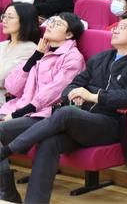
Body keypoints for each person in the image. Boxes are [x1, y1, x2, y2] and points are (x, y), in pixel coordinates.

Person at [0, 14, 127, 203]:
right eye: (116, 27)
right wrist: (72, 95)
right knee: (50, 142)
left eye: (122, 28)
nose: (115, 30)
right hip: (81, 119)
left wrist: (93, 96)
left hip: (111, 123)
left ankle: (9, 150)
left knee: (66, 113)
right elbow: (72, 85)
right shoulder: (101, 58)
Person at [0, 13, 85, 202]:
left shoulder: (72, 58)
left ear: (69, 34)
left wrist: (19, 113)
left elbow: (54, 93)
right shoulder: (41, 51)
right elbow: (12, 87)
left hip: (44, 116)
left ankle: (6, 191)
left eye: (58, 23)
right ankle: (6, 190)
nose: (51, 25)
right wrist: (35, 57)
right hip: (20, 109)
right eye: (51, 21)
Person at [0, 3, 40, 106]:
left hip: (6, 101)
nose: (4, 20)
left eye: (10, 17)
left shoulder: (30, 49)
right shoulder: (2, 45)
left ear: (24, 21)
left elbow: (4, 79)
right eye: (4, 16)